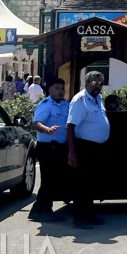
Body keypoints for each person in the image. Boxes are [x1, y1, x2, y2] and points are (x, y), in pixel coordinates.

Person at [67, 71, 111, 228]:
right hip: (84, 147)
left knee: (91, 183)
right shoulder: (81, 100)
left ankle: (89, 214)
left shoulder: (98, 99)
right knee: (82, 184)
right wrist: (72, 152)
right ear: (86, 83)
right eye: (94, 83)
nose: (98, 86)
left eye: (101, 83)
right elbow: (70, 127)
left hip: (96, 148)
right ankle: (79, 218)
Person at [29, 77, 70, 223]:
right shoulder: (46, 105)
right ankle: (45, 211)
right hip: (48, 147)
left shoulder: (66, 105)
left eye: (62, 88)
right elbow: (36, 123)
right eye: (57, 88)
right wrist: (47, 130)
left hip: (61, 147)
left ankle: (37, 210)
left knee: (53, 180)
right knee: (49, 180)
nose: (61, 91)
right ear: (50, 90)